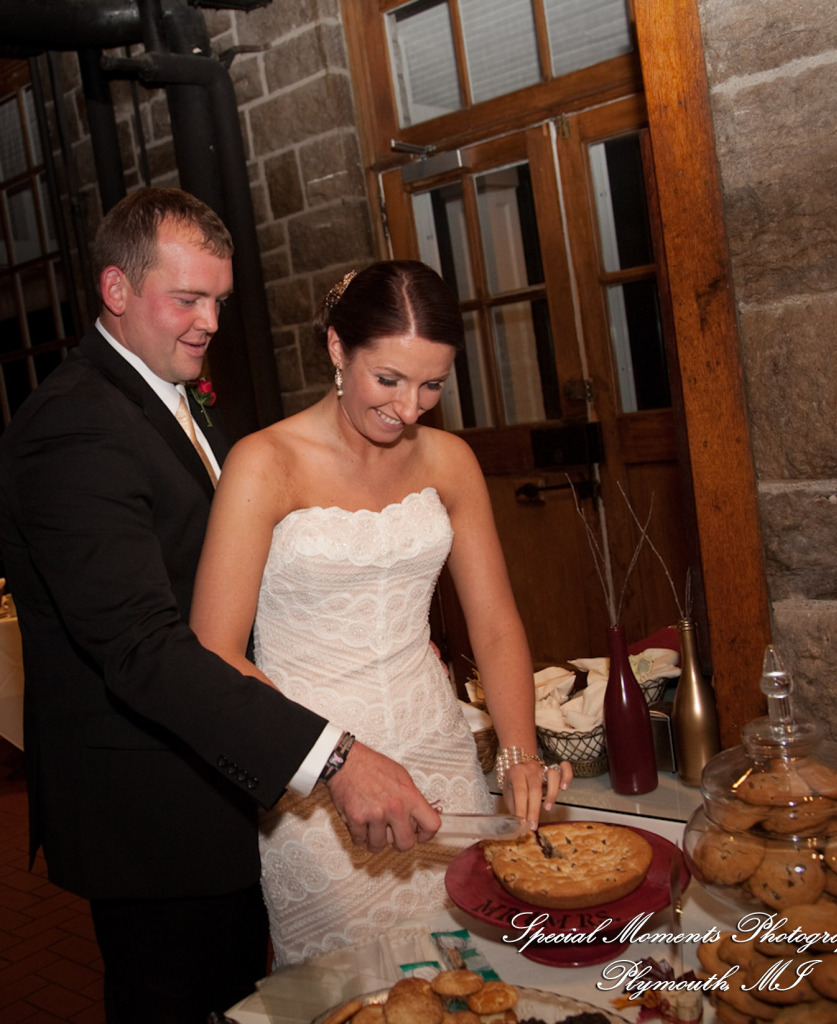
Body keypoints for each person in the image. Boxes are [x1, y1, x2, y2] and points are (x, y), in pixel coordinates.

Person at [0, 190, 441, 1023]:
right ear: (117, 290)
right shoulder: (74, 427)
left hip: (211, 777)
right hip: (149, 811)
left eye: (218, 301)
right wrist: (335, 757)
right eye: (187, 299)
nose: (208, 322)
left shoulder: (165, 391)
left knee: (244, 994)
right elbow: (139, 645)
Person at [190, 260, 573, 965]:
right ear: (337, 349)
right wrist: (326, 759)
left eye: (432, 385)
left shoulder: (449, 460)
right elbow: (213, 653)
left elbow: (493, 623)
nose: (409, 407)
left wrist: (519, 752)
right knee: (357, 992)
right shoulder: (263, 462)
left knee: (474, 975)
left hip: (439, 755)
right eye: (388, 380)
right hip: (316, 777)